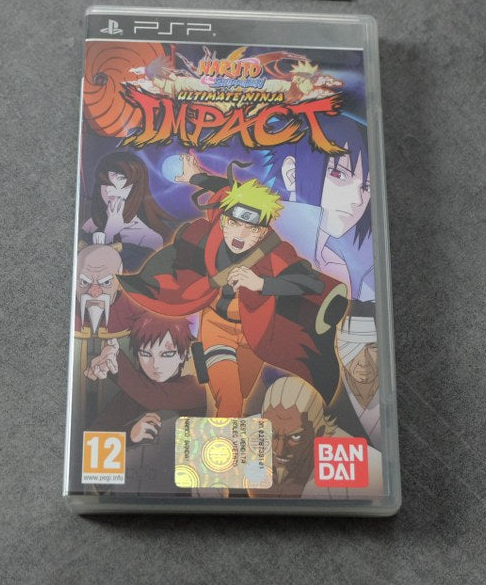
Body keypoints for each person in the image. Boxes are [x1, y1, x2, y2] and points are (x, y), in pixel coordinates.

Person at [118, 156, 349, 417]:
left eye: (251, 228)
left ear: (262, 232)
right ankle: (218, 442)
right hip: (217, 326)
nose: (240, 234)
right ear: (224, 220)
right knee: (230, 399)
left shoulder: (275, 252)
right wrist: (195, 177)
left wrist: (262, 283)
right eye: (234, 223)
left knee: (241, 394)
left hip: (256, 333)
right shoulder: (213, 231)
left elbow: (310, 282)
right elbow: (225, 190)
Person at [265, 112, 373, 300]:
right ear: (292, 174)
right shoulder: (252, 240)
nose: (357, 200)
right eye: (338, 174)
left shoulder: (338, 267)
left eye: (366, 187)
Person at [249, 376, 383, 499]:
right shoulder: (247, 436)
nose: (280, 450)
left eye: (295, 436)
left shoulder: (361, 465)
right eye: (272, 434)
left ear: (319, 432)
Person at [85, 314, 206, 440]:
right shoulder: (133, 394)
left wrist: (116, 362)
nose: (155, 364)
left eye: (167, 354)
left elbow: (155, 397)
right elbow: (92, 438)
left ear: (185, 354)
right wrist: (130, 434)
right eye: (145, 354)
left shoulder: (199, 386)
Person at [81, 151, 173, 270]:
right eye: (104, 182)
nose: (109, 189)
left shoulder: (149, 238)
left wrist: (110, 232)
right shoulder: (91, 224)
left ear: (137, 187)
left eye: (120, 178)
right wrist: (110, 231)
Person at [328, 305, 381, 450]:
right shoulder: (327, 408)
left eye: (373, 346)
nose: (363, 361)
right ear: (337, 346)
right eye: (352, 346)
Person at [74, 244, 143, 336]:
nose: (94, 293)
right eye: (84, 282)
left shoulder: (134, 311)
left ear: (120, 284)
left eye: (106, 282)